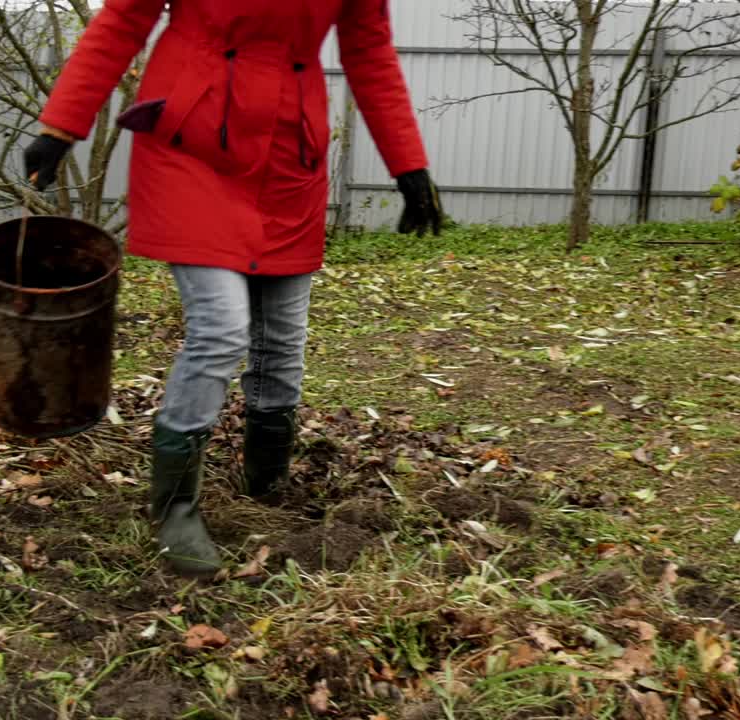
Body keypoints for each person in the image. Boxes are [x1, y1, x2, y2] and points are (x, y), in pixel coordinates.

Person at [24, 0, 442, 576]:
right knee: (221, 329)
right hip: (192, 142)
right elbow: (123, 20)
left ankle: (267, 488)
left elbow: (369, 52)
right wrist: (62, 125)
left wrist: (408, 165)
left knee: (283, 339)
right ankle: (175, 509)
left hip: (288, 152)